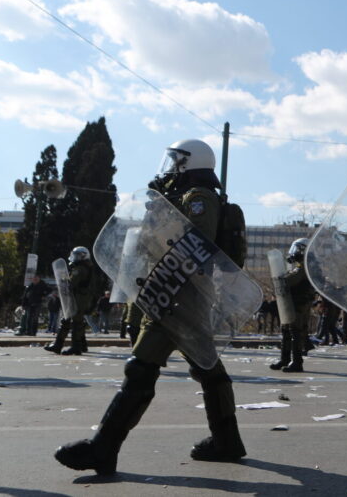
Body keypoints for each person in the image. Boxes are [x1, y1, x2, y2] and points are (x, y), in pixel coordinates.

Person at [55, 138, 248, 475]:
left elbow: (195, 244)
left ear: (189, 163)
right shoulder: (181, 197)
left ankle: (104, 448)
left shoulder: (198, 197)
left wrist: (161, 223)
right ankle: (227, 440)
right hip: (176, 291)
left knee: (141, 368)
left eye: (175, 161)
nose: (169, 167)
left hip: (177, 294)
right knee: (208, 369)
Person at [269, 238, 316, 373]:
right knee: (286, 331)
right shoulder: (301, 266)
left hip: (299, 304)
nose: (294, 253)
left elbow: (290, 281)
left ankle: (297, 362)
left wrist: (281, 277)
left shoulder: (305, 266)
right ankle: (285, 359)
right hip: (292, 304)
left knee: (295, 332)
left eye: (297, 250)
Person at [46, 247, 100, 356]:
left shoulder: (80, 269)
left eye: (77, 255)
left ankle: (75, 347)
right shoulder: (86, 266)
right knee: (71, 320)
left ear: (83, 256)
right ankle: (65, 345)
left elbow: (71, 283)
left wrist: (63, 279)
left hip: (79, 298)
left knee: (75, 322)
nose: (75, 257)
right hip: (80, 298)